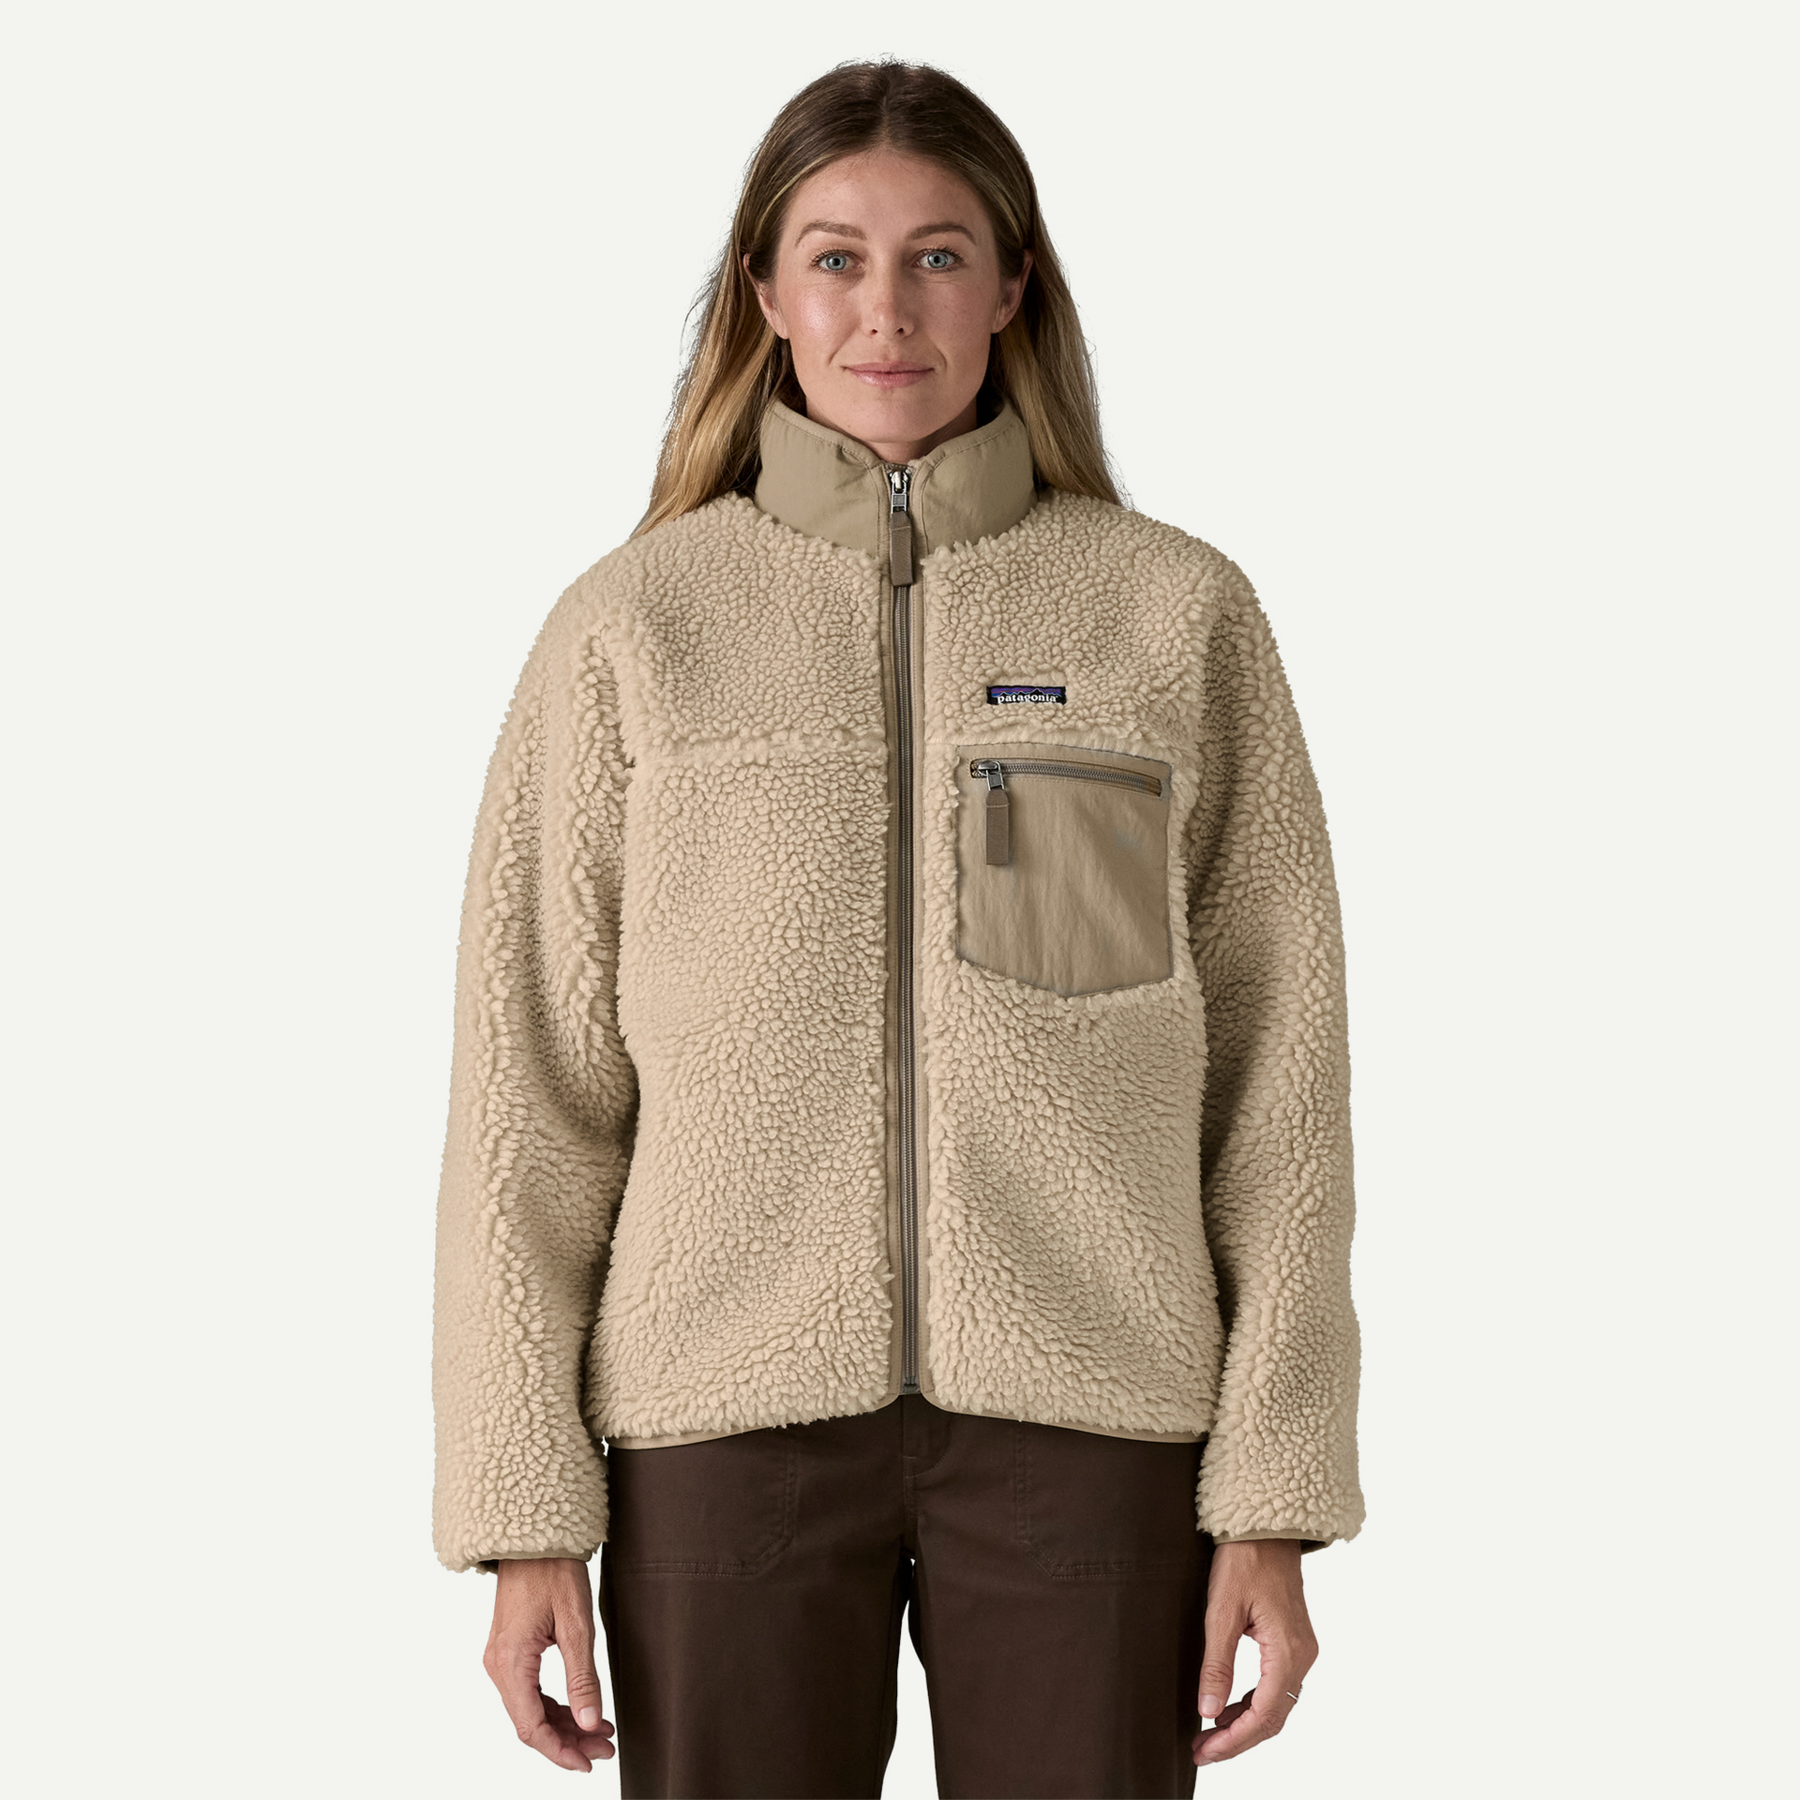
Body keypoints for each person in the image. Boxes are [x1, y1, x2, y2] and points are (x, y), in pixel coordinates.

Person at [432, 58, 1363, 1799]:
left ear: (1012, 288)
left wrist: (1275, 1491)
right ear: (764, 296)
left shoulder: (1172, 614)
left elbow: (1278, 1084)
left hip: (1091, 1413)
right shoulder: (634, 630)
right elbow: (529, 1096)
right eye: (837, 258)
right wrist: (522, 1513)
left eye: (939, 256)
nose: (888, 309)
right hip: (723, 1421)